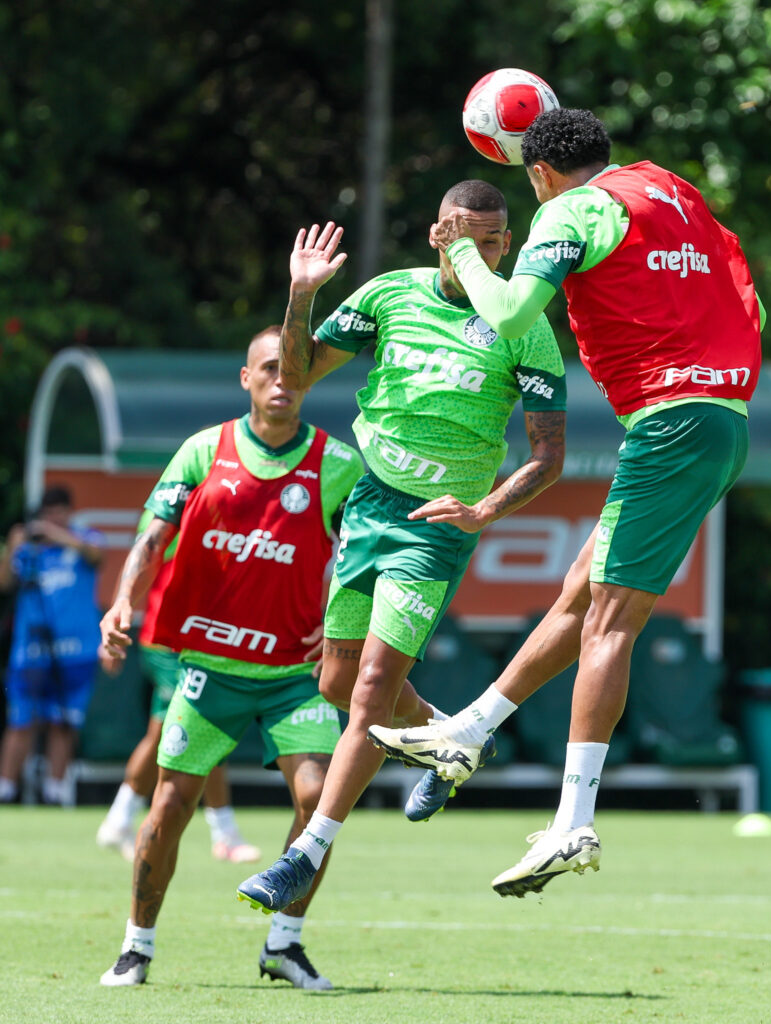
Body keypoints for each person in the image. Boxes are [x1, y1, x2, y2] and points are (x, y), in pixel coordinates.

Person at [369, 108, 764, 898]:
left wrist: (458, 252)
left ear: (540, 174)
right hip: (720, 415)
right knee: (579, 592)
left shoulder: (571, 208)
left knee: (609, 622)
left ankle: (572, 824)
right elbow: (743, 291)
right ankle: (467, 733)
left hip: (672, 420)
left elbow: (512, 311)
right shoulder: (667, 188)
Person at [236, 179, 567, 915]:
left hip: (435, 527)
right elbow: (294, 376)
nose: (476, 253)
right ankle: (451, 740)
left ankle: (304, 853)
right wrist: (301, 295)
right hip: (371, 504)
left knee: (369, 691)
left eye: (490, 241)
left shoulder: (526, 326)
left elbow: (549, 457)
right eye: (461, 238)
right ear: (435, 236)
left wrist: (482, 509)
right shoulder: (391, 295)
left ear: (507, 245)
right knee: (334, 681)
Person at [98, 326, 363, 989]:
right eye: (270, 369)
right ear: (246, 379)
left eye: (296, 371)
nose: (284, 381)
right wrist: (123, 603)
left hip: (293, 680)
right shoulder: (203, 451)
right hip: (210, 671)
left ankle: (285, 944)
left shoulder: (339, 465)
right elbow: (152, 534)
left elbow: (367, 559)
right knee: (170, 807)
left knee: (318, 803)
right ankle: (136, 947)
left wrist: (341, 630)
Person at [95, 527, 261, 864]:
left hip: (198, 642)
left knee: (161, 734)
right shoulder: (179, 504)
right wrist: (114, 628)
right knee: (204, 726)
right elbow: (141, 558)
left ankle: (118, 819)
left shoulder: (228, 501)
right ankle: (224, 834)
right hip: (169, 642)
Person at [0, 485, 104, 806]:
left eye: (59, 511)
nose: (53, 518)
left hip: (77, 652)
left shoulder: (86, 538)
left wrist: (55, 534)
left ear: (69, 512)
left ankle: (55, 792)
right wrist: (14, 549)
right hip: (30, 652)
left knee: (65, 722)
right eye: (47, 513)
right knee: (21, 721)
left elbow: (95, 555)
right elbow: (4, 584)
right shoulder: (29, 549)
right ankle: (5, 789)